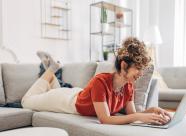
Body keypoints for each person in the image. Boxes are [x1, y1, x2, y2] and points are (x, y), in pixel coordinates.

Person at [21, 37, 171, 125]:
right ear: (124, 66)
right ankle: (52, 69)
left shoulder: (128, 87)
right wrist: (140, 116)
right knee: (26, 102)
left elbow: (132, 114)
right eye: (138, 68)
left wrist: (152, 112)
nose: (141, 73)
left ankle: (51, 73)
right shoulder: (100, 81)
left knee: (54, 89)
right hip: (65, 101)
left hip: (78, 94)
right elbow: (105, 119)